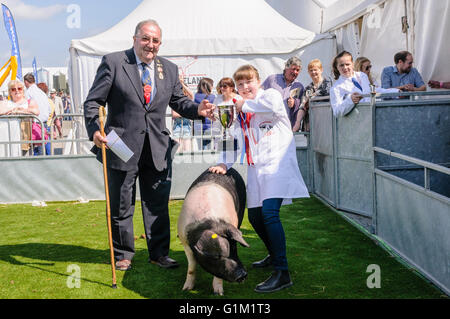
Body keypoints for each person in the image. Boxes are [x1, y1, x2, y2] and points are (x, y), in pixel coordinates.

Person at [83, 19, 215, 271]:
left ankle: (159, 254)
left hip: (157, 147)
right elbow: (92, 102)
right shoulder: (113, 62)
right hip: (119, 145)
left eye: (155, 41)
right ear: (134, 39)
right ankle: (123, 254)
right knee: (122, 203)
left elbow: (179, 102)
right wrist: (94, 131)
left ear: (160, 43)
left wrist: (197, 109)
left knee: (157, 204)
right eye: (145, 38)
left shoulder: (169, 69)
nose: (150, 45)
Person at [209, 65, 309, 293]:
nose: (245, 87)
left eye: (249, 82)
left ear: (258, 81)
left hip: (277, 165)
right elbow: (235, 138)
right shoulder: (243, 111)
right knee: (254, 216)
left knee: (270, 214)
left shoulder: (270, 96)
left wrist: (241, 104)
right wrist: (225, 162)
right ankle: (274, 256)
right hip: (256, 168)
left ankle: (282, 273)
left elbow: (269, 105)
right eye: (240, 84)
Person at [330, 51, 399, 117]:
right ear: (337, 67)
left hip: (371, 116)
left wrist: (396, 92)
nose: (345, 68)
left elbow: (373, 91)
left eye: (347, 64)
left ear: (352, 64)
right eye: (341, 65)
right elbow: (337, 111)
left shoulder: (362, 76)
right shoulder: (336, 88)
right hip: (355, 122)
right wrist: (350, 100)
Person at [262, 57, 304, 129]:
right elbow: (259, 94)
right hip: (269, 124)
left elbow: (301, 108)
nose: (295, 72)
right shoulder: (272, 79)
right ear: (286, 67)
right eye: (293, 69)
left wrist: (294, 104)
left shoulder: (299, 86)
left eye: (298, 70)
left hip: (287, 126)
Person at [0, 80, 39, 157]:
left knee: (24, 162)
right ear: (10, 92)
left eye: (19, 88)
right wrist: (13, 110)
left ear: (23, 90)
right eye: (13, 89)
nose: (17, 91)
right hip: (6, 138)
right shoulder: (5, 102)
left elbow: (36, 111)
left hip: (24, 138)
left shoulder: (30, 102)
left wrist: (21, 110)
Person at [293, 59, 331, 132]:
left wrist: (310, 100)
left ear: (321, 70)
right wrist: (297, 123)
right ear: (308, 72)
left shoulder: (329, 85)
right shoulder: (307, 89)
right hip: (310, 128)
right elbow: (302, 107)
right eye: (311, 70)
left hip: (326, 125)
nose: (313, 72)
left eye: (315, 70)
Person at [23, 73, 51, 155]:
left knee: (36, 149)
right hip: (44, 122)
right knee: (43, 145)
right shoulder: (42, 93)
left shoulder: (28, 92)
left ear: (26, 82)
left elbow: (25, 107)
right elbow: (49, 109)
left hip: (35, 122)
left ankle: (40, 165)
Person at [172, 74, 194, 152]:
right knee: (177, 150)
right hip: (177, 127)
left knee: (187, 149)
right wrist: (186, 112)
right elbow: (174, 114)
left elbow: (191, 94)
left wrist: (182, 83)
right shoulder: (175, 100)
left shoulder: (188, 99)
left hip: (187, 127)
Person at [193, 77, 215, 150]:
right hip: (209, 125)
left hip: (198, 124)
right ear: (209, 86)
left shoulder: (195, 96)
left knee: (201, 148)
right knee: (210, 148)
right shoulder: (212, 97)